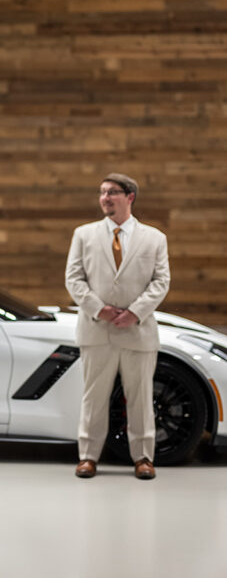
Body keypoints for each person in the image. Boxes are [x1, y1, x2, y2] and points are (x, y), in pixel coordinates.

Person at [65, 172, 171, 480]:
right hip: (96, 330)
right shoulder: (83, 235)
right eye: (102, 192)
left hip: (138, 332)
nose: (105, 198)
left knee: (140, 398)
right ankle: (88, 457)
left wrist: (135, 312)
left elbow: (161, 282)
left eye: (112, 192)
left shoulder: (155, 238)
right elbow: (74, 279)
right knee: (93, 398)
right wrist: (101, 310)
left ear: (130, 197)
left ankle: (143, 457)